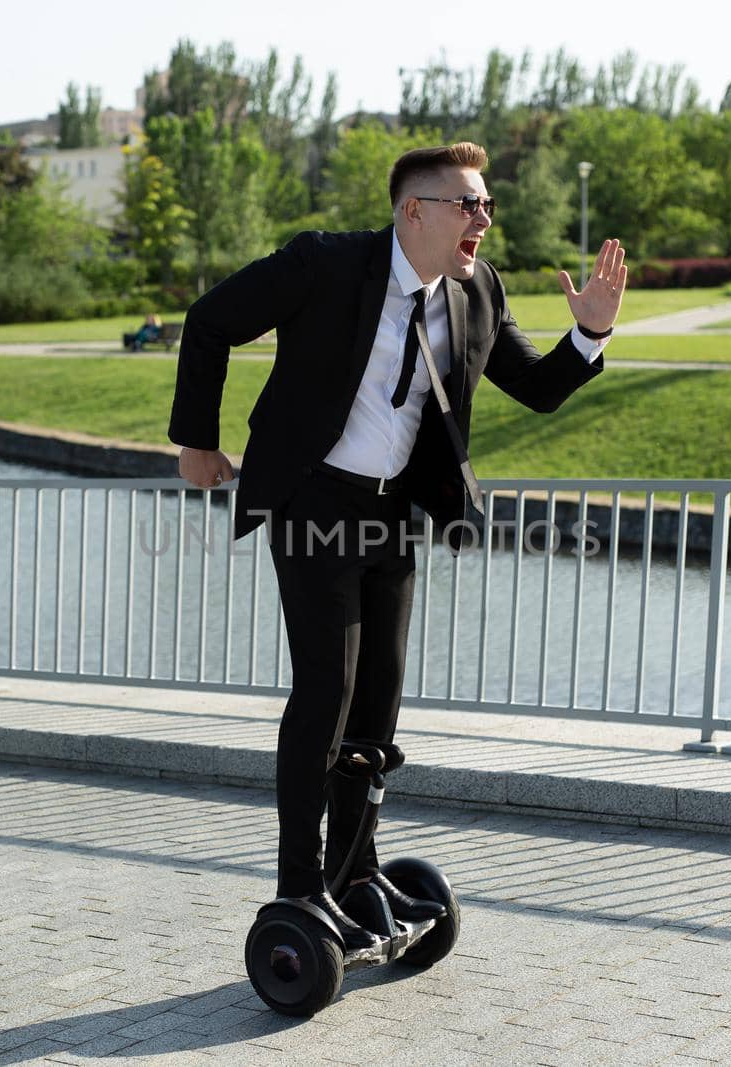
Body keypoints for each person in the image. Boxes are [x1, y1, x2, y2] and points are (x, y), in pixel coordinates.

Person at [169, 142, 625, 953]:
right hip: (315, 501)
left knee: (376, 705)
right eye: (467, 203)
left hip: (394, 516)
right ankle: (298, 884)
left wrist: (589, 334)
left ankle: (355, 872)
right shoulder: (326, 264)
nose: (484, 218)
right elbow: (210, 323)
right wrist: (197, 443)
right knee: (327, 693)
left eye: (485, 204)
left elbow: (539, 388)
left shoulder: (477, 289)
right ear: (414, 210)